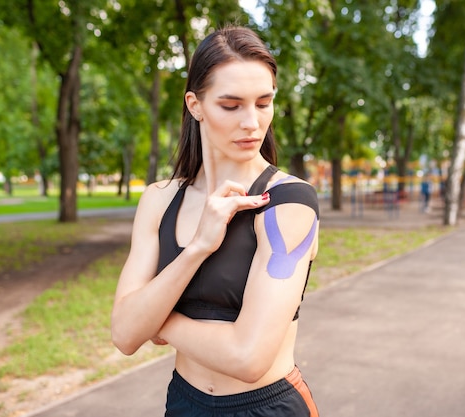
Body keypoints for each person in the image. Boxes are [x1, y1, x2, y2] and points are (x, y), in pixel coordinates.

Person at [111, 25, 320, 417]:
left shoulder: (290, 203)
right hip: (184, 403)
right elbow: (123, 335)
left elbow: (249, 357)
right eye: (231, 105)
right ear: (195, 105)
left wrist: (156, 322)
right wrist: (198, 248)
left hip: (267, 407)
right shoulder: (159, 199)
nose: (252, 123)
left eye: (263, 102)